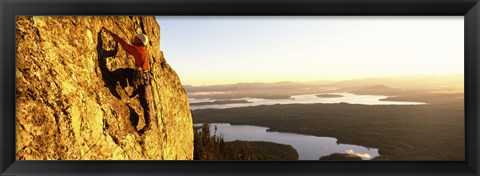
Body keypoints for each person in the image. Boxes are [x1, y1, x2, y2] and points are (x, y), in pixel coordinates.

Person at [103, 28, 152, 132]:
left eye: (136, 38)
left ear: (140, 41)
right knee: (126, 72)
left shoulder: (138, 50)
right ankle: (134, 87)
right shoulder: (141, 50)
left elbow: (124, 44)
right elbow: (129, 46)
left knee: (145, 102)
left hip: (142, 78)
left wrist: (111, 33)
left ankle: (148, 123)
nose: (134, 38)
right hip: (142, 75)